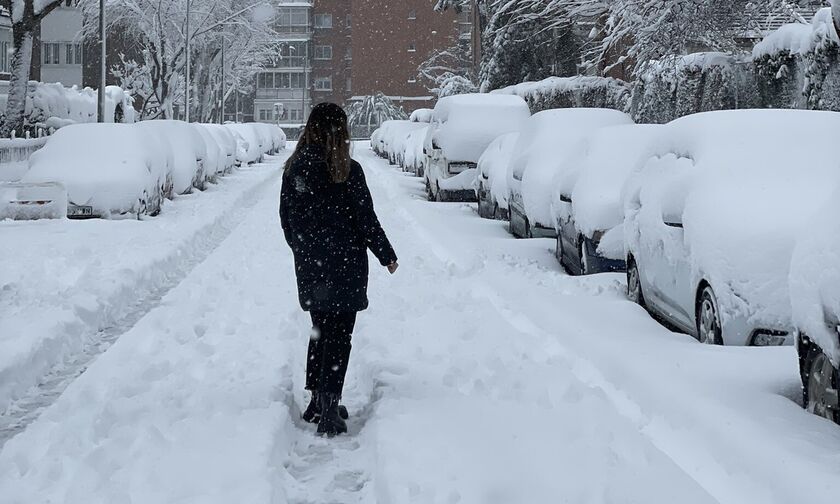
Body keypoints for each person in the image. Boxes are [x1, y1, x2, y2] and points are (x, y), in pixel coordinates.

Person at [280, 103, 398, 436]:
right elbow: (365, 219)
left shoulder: (295, 169)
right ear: (342, 131)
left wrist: (303, 250)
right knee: (339, 334)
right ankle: (331, 408)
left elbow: (287, 219)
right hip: (346, 265)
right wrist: (385, 254)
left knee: (320, 328)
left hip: (312, 266)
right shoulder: (348, 170)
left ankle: (317, 401)